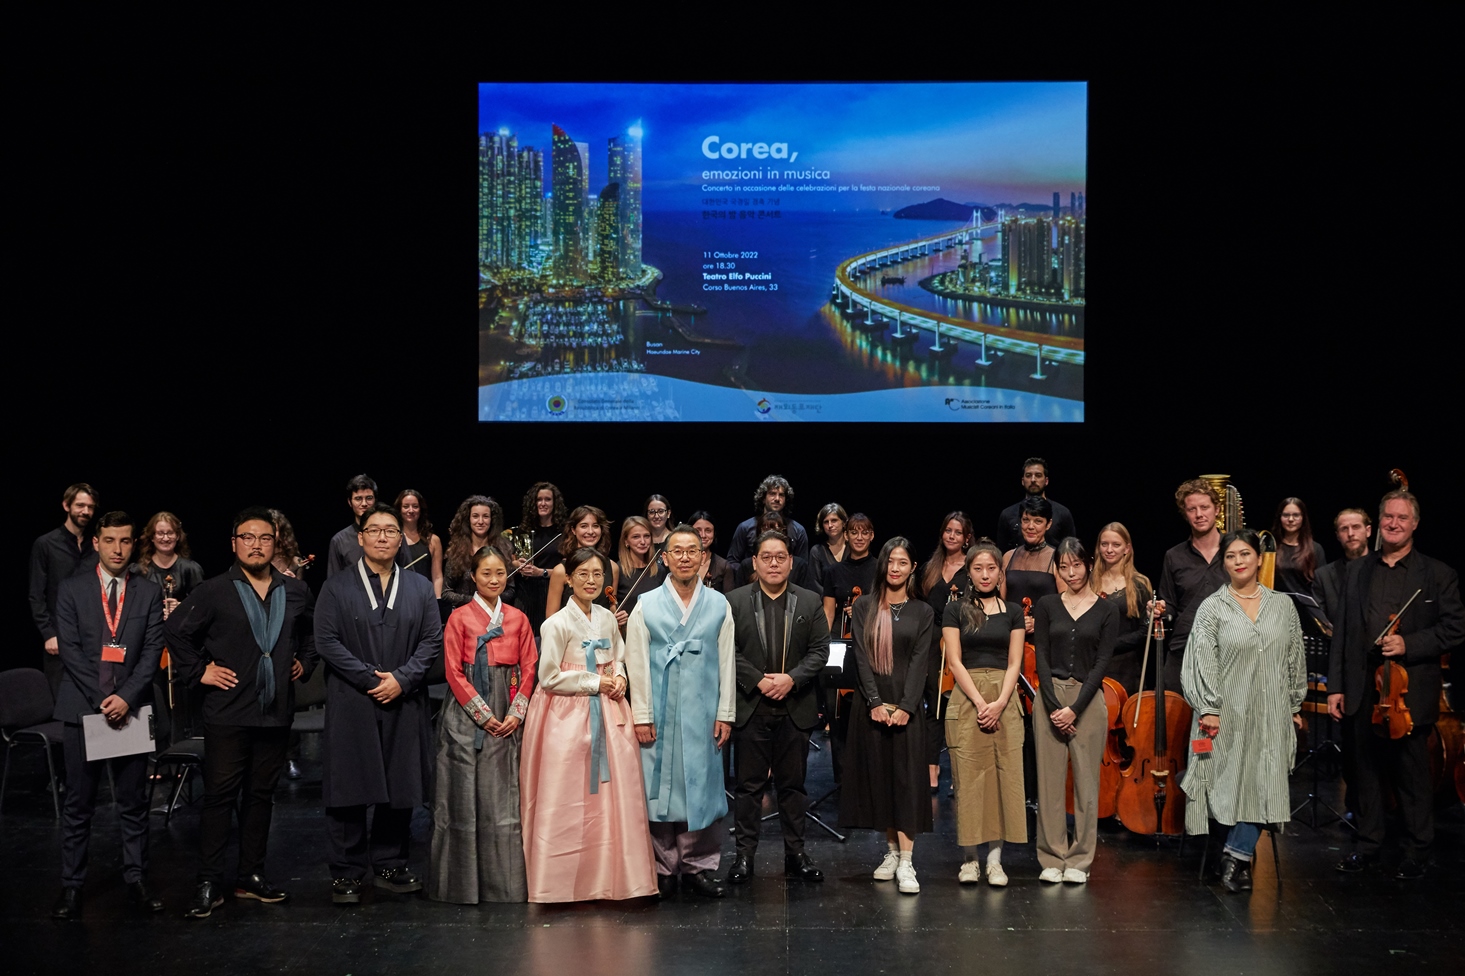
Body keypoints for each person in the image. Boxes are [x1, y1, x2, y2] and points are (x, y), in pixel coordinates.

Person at [165, 507, 317, 918]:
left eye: (264, 538)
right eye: (247, 537)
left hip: (275, 712)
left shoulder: (294, 591)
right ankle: (208, 880)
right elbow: (175, 631)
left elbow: (311, 632)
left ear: (275, 544)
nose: (256, 545)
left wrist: (304, 661)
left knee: (261, 797)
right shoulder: (215, 590)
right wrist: (201, 671)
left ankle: (251, 875)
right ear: (234, 544)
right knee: (219, 798)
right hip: (228, 713)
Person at [1327, 489, 1464, 880]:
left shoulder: (1437, 575)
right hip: (1361, 687)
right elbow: (1345, 634)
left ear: (1415, 524)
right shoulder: (1357, 570)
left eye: (1402, 518)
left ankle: (1417, 850)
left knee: (1412, 775)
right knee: (1364, 773)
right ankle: (1368, 846)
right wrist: (1336, 686)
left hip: (1405, 690)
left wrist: (1409, 643)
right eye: (1388, 517)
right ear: (1379, 521)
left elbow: (1455, 628)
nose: (1393, 524)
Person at [314, 503, 443, 904]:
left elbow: (431, 641)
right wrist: (372, 680)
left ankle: (390, 863)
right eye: (375, 530)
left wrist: (402, 680)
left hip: (404, 699)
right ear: (361, 538)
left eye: (391, 531)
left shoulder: (420, 587)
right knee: (349, 786)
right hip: (352, 699)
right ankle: (347, 872)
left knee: (399, 785)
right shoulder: (337, 586)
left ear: (400, 538)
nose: (383, 537)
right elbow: (327, 642)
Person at [520, 546, 658, 902]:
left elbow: (619, 658)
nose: (591, 581)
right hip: (567, 716)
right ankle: (563, 883)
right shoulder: (556, 624)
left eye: (598, 574)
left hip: (610, 712)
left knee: (614, 798)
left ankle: (613, 876)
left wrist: (620, 677)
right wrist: (596, 682)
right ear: (568, 579)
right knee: (568, 797)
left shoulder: (608, 618)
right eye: (583, 574)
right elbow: (548, 677)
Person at [49, 511, 165, 920]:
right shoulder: (72, 589)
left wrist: (126, 697)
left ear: (135, 545)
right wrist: (104, 697)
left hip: (130, 711)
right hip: (84, 709)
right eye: (110, 540)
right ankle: (72, 887)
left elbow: (152, 652)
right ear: (96, 542)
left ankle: (136, 879)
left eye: (126, 541)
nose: (118, 549)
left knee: (134, 803)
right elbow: (70, 650)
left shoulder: (148, 592)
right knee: (79, 805)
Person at [1180, 528, 1306, 893]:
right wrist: (1209, 706)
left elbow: (1294, 658)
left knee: (1266, 782)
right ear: (1224, 562)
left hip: (1271, 712)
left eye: (1245, 554)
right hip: (1225, 713)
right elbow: (1201, 660)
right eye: (1231, 556)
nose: (1238, 561)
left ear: (1258, 558)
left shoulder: (1282, 606)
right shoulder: (1212, 608)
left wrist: (1295, 704)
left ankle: (1236, 857)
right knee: (1225, 782)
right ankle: (1237, 854)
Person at [626, 525, 736, 898]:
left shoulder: (720, 605)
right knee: (659, 791)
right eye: (678, 551)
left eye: (694, 550)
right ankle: (663, 867)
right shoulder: (647, 604)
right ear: (665, 558)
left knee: (701, 791)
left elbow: (727, 663)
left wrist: (726, 713)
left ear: (704, 557)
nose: (686, 557)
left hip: (703, 713)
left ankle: (698, 867)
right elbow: (636, 662)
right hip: (659, 711)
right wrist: (641, 714)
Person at [428, 546, 537, 904]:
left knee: (503, 800)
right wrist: (482, 714)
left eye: (500, 573)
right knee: (460, 799)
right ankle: (459, 886)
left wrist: (515, 713)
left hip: (507, 710)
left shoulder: (518, 618)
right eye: (486, 573)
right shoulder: (459, 617)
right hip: (465, 713)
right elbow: (452, 671)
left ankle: (504, 886)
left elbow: (529, 668)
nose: (494, 579)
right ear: (473, 576)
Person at [726, 530, 830, 885]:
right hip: (751, 705)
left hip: (795, 706)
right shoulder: (734, 600)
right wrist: (758, 679)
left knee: (793, 787)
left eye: (780, 557)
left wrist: (791, 679)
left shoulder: (810, 601)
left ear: (791, 561)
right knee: (748, 787)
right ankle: (743, 857)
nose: (773, 563)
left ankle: (795, 854)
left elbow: (820, 651)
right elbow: (727, 651)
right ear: (754, 562)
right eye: (766, 557)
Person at [842, 537, 935, 894]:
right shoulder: (865, 605)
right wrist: (876, 702)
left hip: (906, 709)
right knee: (880, 781)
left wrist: (907, 707)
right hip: (872, 708)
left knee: (906, 784)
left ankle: (908, 862)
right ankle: (892, 852)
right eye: (890, 562)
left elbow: (920, 664)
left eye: (902, 562)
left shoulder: (922, 612)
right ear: (883, 566)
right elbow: (861, 658)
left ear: (913, 568)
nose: (895, 568)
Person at [1031, 538, 1118, 884]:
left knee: (1086, 784)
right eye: (1063, 567)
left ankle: (1080, 861)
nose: (1071, 573)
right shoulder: (1048, 605)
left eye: (1077, 565)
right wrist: (1054, 707)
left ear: (1088, 564)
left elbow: (1102, 662)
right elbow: (1040, 656)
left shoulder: (1106, 609)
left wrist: (1075, 709)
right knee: (1049, 785)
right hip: (1050, 696)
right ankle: (1052, 857)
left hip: (1087, 699)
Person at [942, 540, 1025, 886]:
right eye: (978, 568)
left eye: (992, 568)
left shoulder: (1013, 611)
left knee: (1004, 779)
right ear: (969, 572)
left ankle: (995, 860)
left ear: (1000, 571)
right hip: (968, 697)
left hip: (1003, 698)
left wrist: (1001, 702)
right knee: (969, 781)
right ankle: (970, 859)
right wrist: (979, 702)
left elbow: (1015, 662)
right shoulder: (955, 609)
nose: (985, 574)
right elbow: (954, 660)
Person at [132, 511, 206, 746]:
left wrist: (182, 608)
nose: (165, 538)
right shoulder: (139, 571)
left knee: (185, 702)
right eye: (160, 533)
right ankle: (157, 756)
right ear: (151, 537)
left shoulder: (190, 568)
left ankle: (188, 751)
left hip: (183, 647)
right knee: (156, 700)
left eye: (170, 533)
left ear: (178, 536)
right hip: (150, 646)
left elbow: (205, 609)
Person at [1156, 478, 1229, 693]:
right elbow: (1169, 604)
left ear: (1216, 510)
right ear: (1185, 514)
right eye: (1192, 509)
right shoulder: (1174, 556)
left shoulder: (1235, 551)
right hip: (1184, 650)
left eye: (1205, 507)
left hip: (1227, 651)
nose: (1199, 514)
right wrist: (1159, 609)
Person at [918, 511, 973, 790]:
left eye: (957, 532)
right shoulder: (930, 567)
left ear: (966, 538)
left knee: (959, 705)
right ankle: (932, 769)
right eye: (948, 530)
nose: (951, 536)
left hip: (963, 640)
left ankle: (960, 771)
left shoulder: (973, 567)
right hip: (932, 640)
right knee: (934, 704)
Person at [30, 483, 100, 698]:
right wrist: (48, 633)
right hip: (59, 638)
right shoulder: (46, 544)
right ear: (66, 505)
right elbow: (36, 594)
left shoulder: (96, 545)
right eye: (80, 505)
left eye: (90, 507)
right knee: (61, 699)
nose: (85, 511)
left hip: (92, 638)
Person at [1095, 522, 1156, 694]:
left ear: (1127, 548)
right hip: (1094, 666)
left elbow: (1145, 630)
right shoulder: (1090, 582)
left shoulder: (1139, 584)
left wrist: (1110, 645)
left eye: (1116, 545)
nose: (1109, 549)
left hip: (1127, 667)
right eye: (1104, 544)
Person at [544, 505, 621, 619]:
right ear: (573, 530)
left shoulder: (613, 567)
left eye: (595, 526)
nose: (590, 531)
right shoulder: (561, 570)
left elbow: (611, 605)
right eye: (584, 526)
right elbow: (551, 617)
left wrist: (617, 617)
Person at [512, 482, 568, 636]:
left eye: (548, 499)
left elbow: (568, 569)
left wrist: (541, 572)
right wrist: (517, 564)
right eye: (539, 499)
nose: (543, 503)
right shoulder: (521, 531)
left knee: (548, 637)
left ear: (555, 503)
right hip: (525, 592)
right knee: (523, 637)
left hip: (552, 591)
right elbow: (510, 560)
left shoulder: (564, 533)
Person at [725, 475, 810, 576]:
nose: (777, 499)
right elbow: (732, 562)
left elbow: (803, 565)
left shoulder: (798, 530)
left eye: (781, 495)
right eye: (772, 494)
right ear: (763, 499)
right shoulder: (745, 527)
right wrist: (753, 572)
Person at [443, 495, 514, 614]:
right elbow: (446, 593)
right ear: (468, 519)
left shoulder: (504, 548)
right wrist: (477, 602)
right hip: (464, 616)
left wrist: (488, 602)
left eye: (485, 516)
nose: (480, 521)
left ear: (492, 520)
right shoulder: (456, 551)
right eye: (475, 516)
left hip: (496, 615)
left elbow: (511, 590)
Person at [994, 458, 1077, 551]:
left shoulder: (1063, 513)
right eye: (1028, 475)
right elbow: (1001, 552)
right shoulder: (1007, 514)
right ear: (1022, 480)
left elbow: (1071, 551)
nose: (1033, 480)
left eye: (1038, 475)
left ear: (1046, 481)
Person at [1313, 508, 1372, 629]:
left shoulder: (1384, 569)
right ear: (1338, 536)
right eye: (1344, 529)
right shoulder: (1323, 576)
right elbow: (1320, 623)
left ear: (1368, 531)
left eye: (1356, 527)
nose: (1350, 534)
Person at [734, 509, 818, 590]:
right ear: (759, 532)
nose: (771, 533)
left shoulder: (799, 565)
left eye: (776, 529)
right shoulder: (746, 565)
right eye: (766, 529)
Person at [822, 512, 878, 631]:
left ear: (871, 536)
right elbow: (828, 613)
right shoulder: (833, 571)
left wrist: (862, 610)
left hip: (872, 634)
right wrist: (824, 644)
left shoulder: (881, 569)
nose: (859, 538)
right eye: (854, 533)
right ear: (846, 536)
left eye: (865, 533)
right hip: (840, 634)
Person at [1272, 497, 1326, 597]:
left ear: (1303, 518)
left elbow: (1322, 585)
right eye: (1286, 515)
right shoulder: (1271, 547)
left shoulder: (1315, 549)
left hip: (1305, 609)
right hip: (1276, 608)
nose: (1291, 519)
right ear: (1280, 517)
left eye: (1296, 515)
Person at [327, 474, 378, 577]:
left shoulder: (392, 534)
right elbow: (333, 582)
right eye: (358, 499)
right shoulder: (339, 541)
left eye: (369, 498)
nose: (364, 503)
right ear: (350, 502)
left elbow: (408, 575)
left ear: (375, 500)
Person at [396, 489, 444, 597]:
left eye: (415, 506)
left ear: (420, 509)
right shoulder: (392, 538)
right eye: (406, 506)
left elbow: (437, 577)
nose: (411, 510)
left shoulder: (433, 540)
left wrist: (437, 602)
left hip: (424, 597)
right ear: (399, 509)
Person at [616, 516, 662, 623]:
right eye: (636, 537)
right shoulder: (618, 570)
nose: (643, 541)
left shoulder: (659, 570)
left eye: (646, 536)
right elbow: (611, 606)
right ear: (626, 541)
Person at [689, 510, 736, 592]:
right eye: (697, 530)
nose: (703, 535)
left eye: (708, 531)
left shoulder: (723, 566)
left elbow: (729, 601)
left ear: (714, 534)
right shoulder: (680, 561)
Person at [808, 502, 849, 589]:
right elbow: (815, 583)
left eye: (834, 520)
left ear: (844, 523)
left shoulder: (853, 548)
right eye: (826, 522)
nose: (830, 525)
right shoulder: (817, 551)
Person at [268, 508, 313, 580]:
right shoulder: (254, 559)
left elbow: (299, 590)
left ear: (281, 533)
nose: (269, 533)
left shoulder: (295, 562)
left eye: (274, 529)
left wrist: (292, 583)